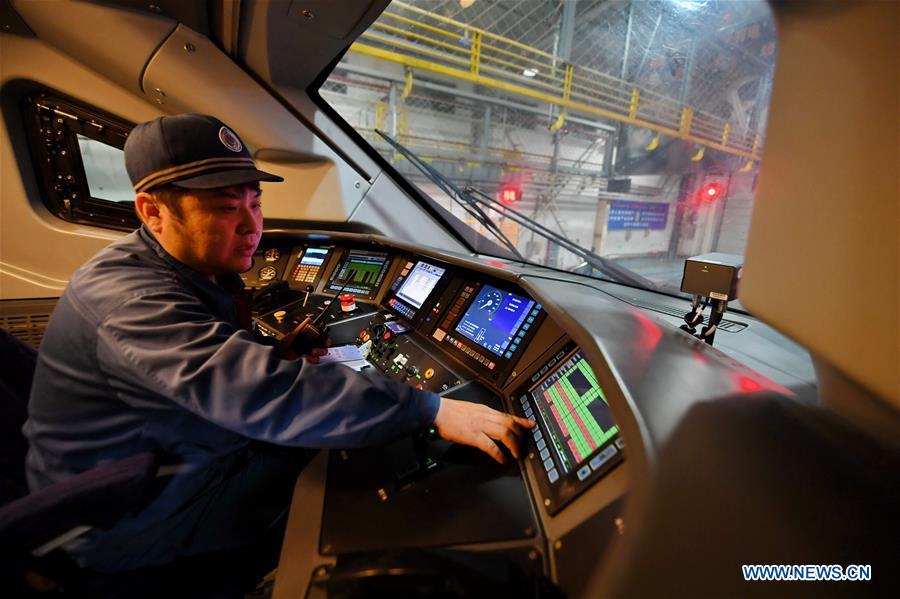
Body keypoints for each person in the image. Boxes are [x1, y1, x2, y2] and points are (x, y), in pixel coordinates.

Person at [22, 114, 533, 583]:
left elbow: (212, 361)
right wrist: (431, 409)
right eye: (227, 208)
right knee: (350, 481)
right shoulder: (130, 300)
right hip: (128, 516)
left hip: (158, 459)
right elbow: (263, 391)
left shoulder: (181, 269)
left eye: (255, 203)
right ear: (153, 212)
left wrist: (278, 351)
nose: (252, 227)